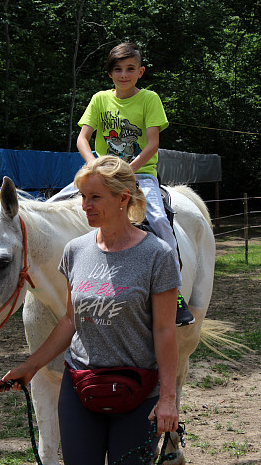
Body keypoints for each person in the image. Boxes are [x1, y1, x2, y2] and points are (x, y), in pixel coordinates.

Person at [1, 156, 179, 465]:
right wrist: (31, 366)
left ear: (123, 198)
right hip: (81, 385)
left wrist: (167, 398)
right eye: (83, 197)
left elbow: (165, 331)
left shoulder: (157, 255)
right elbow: (71, 320)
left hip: (138, 390)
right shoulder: (76, 251)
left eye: (95, 197)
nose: (85, 205)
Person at [76, 42, 194, 326]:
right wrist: (95, 166)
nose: (124, 74)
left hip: (140, 175)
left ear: (140, 72)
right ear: (110, 74)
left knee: (159, 220)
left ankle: (174, 291)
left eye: (130, 69)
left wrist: (124, 171)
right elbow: (83, 138)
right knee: (55, 207)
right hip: (100, 174)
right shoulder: (100, 99)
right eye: (118, 69)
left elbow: (152, 145)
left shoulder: (150, 99)